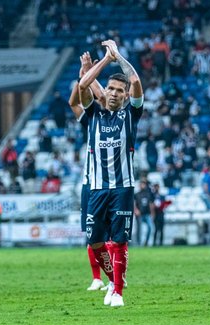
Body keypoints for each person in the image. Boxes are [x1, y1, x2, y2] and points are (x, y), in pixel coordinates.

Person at [77, 39, 144, 307]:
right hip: (96, 187)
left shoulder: (131, 115)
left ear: (125, 96)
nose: (114, 93)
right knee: (94, 242)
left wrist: (119, 57)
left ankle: (117, 290)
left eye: (119, 90)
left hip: (122, 188)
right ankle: (115, 278)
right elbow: (83, 86)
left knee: (119, 241)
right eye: (110, 88)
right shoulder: (93, 113)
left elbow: (136, 82)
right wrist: (105, 60)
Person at [69, 51, 109, 291]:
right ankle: (97, 278)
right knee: (91, 232)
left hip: (111, 182)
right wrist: (82, 76)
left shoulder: (117, 117)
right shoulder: (91, 120)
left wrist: (87, 74)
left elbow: (103, 96)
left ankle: (113, 276)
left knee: (110, 236)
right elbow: (74, 101)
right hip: (89, 183)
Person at [134, 179, 155, 247]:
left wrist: (152, 213)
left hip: (147, 214)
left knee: (150, 228)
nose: (142, 185)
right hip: (140, 214)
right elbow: (133, 203)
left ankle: (146, 242)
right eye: (141, 184)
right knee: (139, 229)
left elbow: (151, 204)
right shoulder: (137, 194)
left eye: (143, 184)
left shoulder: (149, 194)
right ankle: (139, 243)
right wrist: (136, 210)